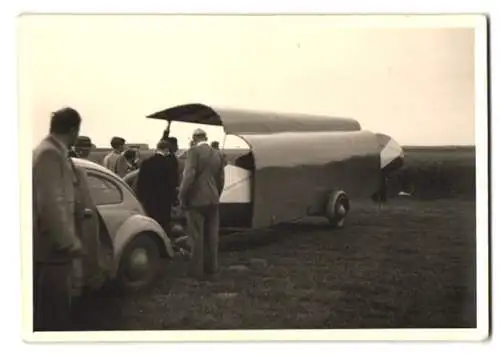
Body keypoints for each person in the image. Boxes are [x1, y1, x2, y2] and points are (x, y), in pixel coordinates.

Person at [32, 107, 86, 331]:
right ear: (73, 130)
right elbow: (52, 204)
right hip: (53, 247)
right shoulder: (50, 154)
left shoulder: (47, 150)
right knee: (55, 313)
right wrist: (69, 241)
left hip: (49, 245)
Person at [179, 128, 225, 280]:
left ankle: (196, 272)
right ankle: (212, 268)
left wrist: (182, 196)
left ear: (194, 138)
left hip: (196, 201)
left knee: (196, 237)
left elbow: (189, 176)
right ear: (206, 137)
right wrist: (216, 194)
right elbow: (221, 179)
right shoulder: (218, 154)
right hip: (213, 199)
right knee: (212, 236)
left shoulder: (193, 152)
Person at [136, 140, 179, 235]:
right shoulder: (168, 164)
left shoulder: (146, 162)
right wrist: (174, 198)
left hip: (149, 199)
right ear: (166, 149)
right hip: (164, 199)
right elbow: (172, 183)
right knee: (164, 223)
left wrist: (141, 197)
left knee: (151, 222)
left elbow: (141, 182)